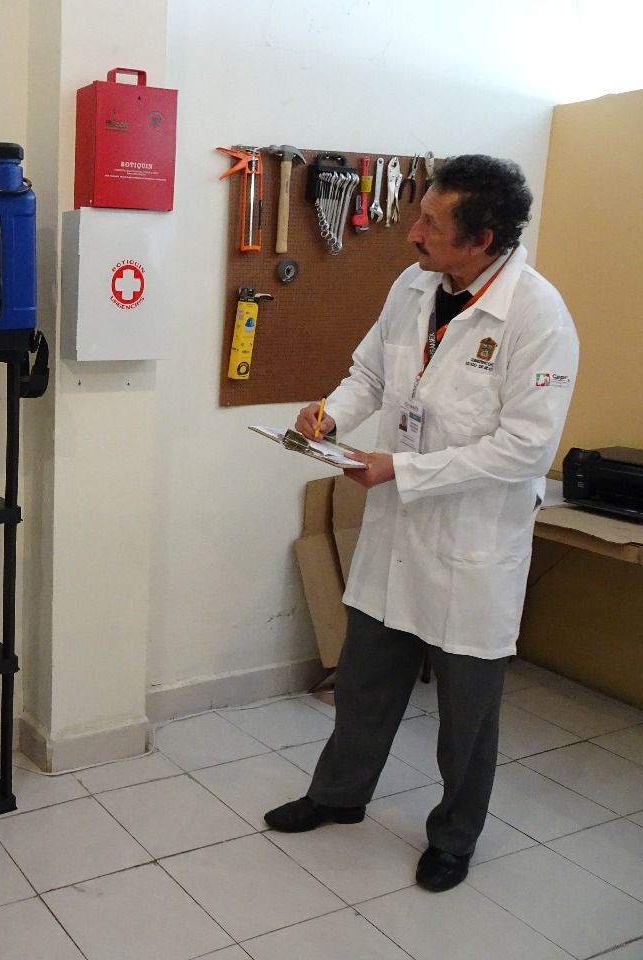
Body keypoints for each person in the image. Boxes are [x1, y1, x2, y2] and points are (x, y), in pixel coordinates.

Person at [263, 155, 579, 893]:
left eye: (432, 223)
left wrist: (401, 471)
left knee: (467, 714)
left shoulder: (538, 317)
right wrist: (331, 414)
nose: (413, 233)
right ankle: (338, 796)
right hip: (396, 530)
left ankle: (454, 837)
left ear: (482, 239)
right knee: (365, 679)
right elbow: (371, 373)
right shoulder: (414, 285)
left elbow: (527, 448)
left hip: (471, 546)